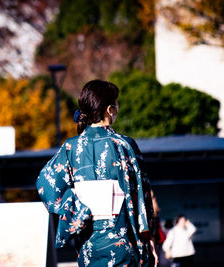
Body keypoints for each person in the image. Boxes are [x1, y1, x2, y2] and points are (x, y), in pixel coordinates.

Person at [36, 80, 157, 266]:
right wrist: (148, 238)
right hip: (122, 239)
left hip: (87, 243)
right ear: (110, 109)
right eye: (116, 104)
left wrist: (76, 208)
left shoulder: (71, 147)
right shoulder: (124, 145)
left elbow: (46, 183)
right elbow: (142, 195)